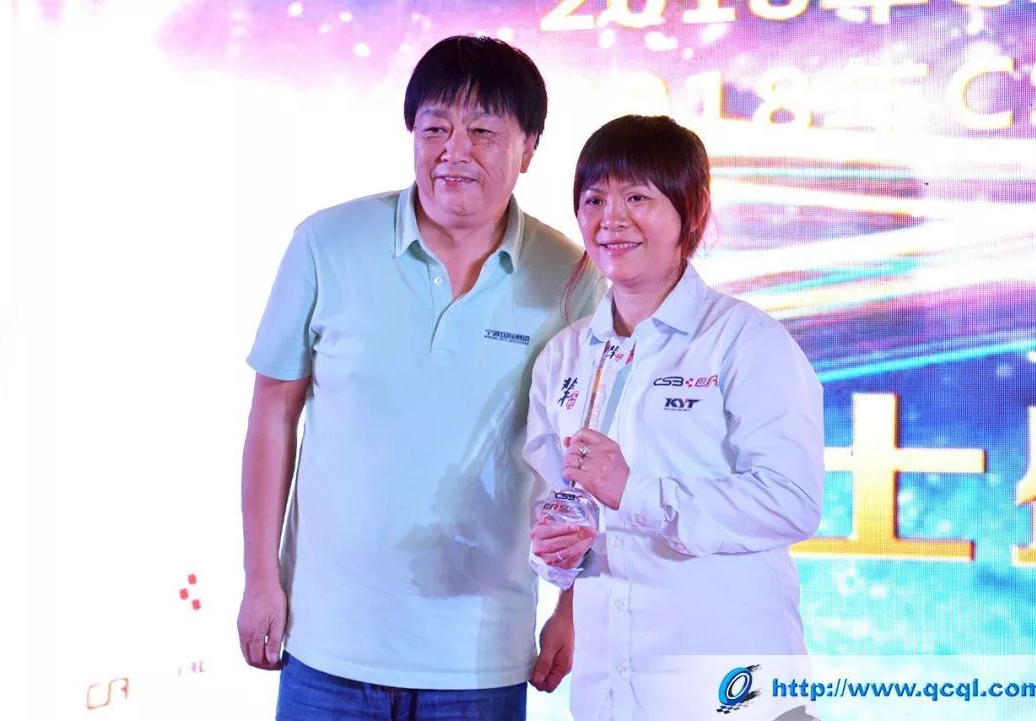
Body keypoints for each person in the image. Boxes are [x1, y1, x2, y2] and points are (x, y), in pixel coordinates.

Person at [237, 36, 603, 721]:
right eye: (435, 128)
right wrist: (261, 578)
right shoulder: (326, 242)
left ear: (529, 148)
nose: (453, 151)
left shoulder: (571, 277)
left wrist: (573, 606)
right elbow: (272, 414)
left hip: (480, 655)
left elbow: (586, 459)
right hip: (327, 643)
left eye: (483, 132)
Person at [524, 115, 825, 720]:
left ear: (691, 212)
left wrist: (636, 493)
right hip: (611, 693)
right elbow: (558, 503)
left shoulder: (744, 341)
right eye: (595, 199)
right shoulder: (564, 356)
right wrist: (559, 552)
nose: (611, 219)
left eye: (638, 197)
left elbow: (791, 501)